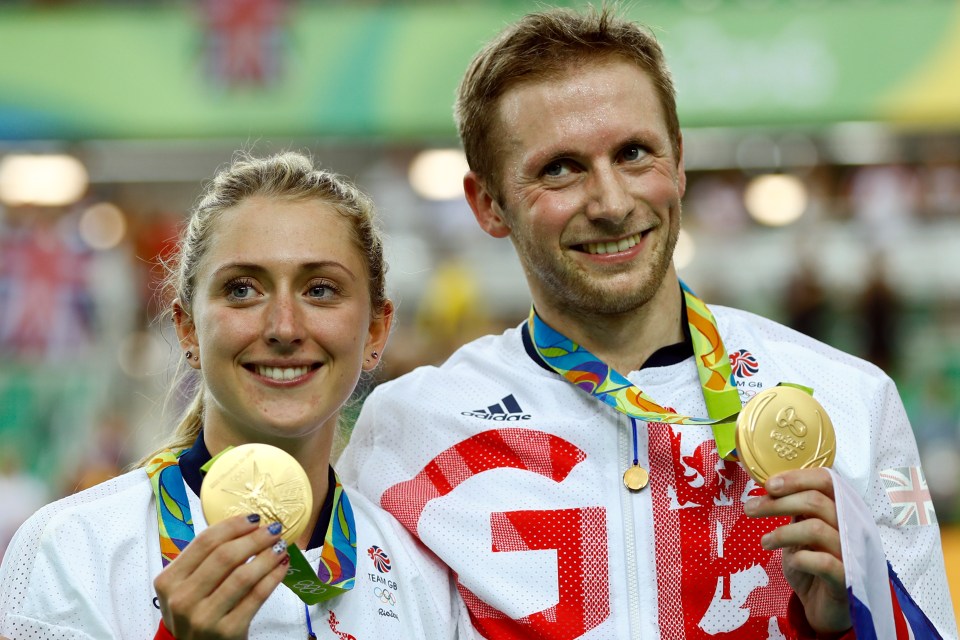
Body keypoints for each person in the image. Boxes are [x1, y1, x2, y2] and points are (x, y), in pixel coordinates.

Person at [338, 7, 957, 640]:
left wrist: (849, 625)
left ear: (679, 163)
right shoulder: (409, 434)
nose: (611, 203)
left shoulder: (849, 403)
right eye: (560, 168)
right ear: (488, 204)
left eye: (634, 153)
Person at [0, 152, 460, 639]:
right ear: (188, 330)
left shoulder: (416, 569)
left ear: (375, 332)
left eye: (321, 290)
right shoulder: (76, 549)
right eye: (242, 290)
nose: (284, 327)